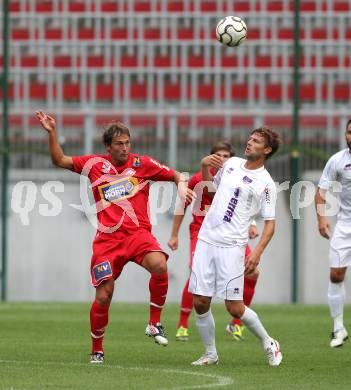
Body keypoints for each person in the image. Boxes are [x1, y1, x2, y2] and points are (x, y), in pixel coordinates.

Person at [36, 111, 194, 363]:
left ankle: (154, 323)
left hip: (138, 235)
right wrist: (52, 132)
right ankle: (97, 349)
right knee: (103, 295)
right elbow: (59, 159)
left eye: (127, 143)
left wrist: (182, 186)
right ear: (107, 147)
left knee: (160, 264)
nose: (124, 148)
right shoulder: (94, 165)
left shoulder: (142, 164)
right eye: (119, 144)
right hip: (108, 241)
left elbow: (177, 174)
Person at [188, 127, 282, 366]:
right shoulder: (231, 164)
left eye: (257, 141)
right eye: (250, 138)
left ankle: (269, 341)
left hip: (232, 247)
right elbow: (210, 192)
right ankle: (210, 354)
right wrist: (204, 168)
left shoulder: (266, 183)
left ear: (267, 150)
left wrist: (257, 253)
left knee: (235, 308)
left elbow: (270, 224)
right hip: (206, 240)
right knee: (199, 301)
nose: (249, 143)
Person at [167, 141, 260, 342]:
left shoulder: (238, 179)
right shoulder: (197, 180)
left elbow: (245, 203)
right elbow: (182, 207)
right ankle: (183, 323)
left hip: (230, 234)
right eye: (218, 155)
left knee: (253, 272)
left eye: (226, 156)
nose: (222, 160)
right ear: (210, 158)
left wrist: (252, 223)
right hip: (202, 234)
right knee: (196, 275)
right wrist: (174, 234)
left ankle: (236, 324)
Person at [315, 119, 351, 348]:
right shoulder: (337, 160)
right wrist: (321, 219)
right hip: (345, 225)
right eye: (349, 132)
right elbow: (320, 193)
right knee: (336, 275)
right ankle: (338, 328)